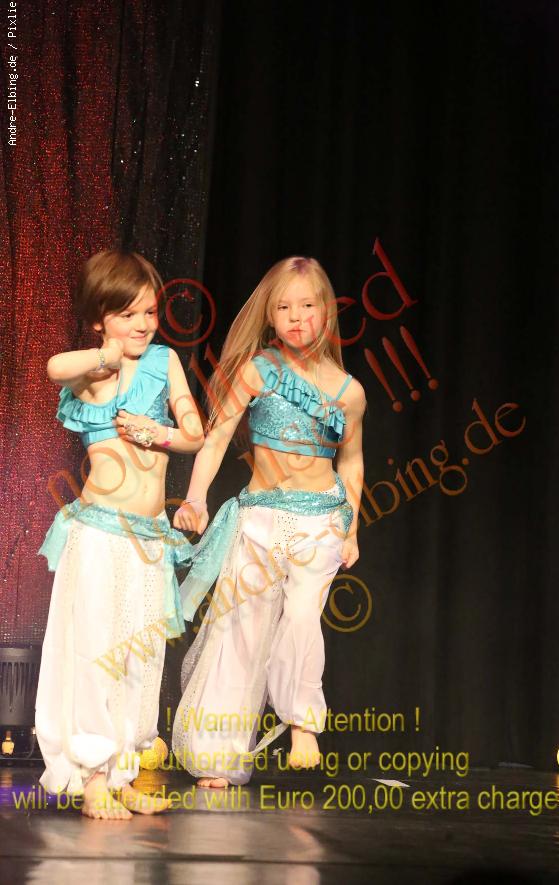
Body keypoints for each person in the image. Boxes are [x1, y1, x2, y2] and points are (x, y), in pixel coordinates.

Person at [172, 255, 365, 787]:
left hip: (321, 520)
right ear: (270, 315)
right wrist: (196, 498)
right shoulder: (259, 370)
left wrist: (352, 528)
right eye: (284, 308)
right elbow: (216, 437)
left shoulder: (349, 392)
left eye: (307, 306)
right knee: (242, 629)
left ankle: (303, 722)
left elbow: (351, 462)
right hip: (259, 517)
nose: (296, 318)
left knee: (302, 616)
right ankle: (218, 754)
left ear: (327, 311)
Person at [35, 250, 204, 819]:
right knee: (97, 651)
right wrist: (105, 354)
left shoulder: (165, 361)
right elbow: (54, 367)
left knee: (140, 653)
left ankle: (123, 771)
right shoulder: (92, 371)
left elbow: (195, 433)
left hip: (149, 538)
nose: (142, 324)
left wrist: (158, 432)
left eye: (149, 312)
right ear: (99, 317)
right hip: (101, 533)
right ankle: (91, 777)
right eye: (127, 313)